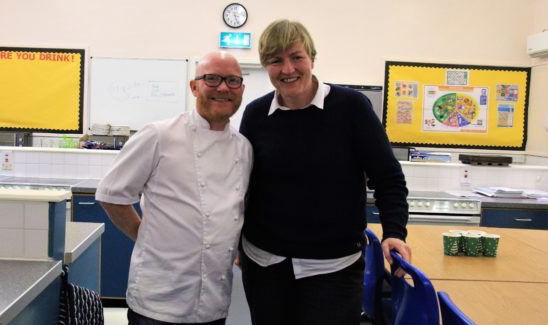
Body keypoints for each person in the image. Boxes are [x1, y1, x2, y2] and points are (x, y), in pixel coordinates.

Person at [238, 19, 412, 325]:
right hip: (264, 265)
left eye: (296, 57)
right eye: (276, 60)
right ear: (266, 66)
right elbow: (244, 187)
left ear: (312, 59)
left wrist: (394, 232)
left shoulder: (351, 108)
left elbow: (388, 177)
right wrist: (235, 241)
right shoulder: (255, 115)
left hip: (334, 269)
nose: (288, 69)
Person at [95, 51, 253, 325]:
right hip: (159, 299)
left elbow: (236, 210)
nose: (223, 88)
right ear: (194, 86)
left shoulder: (244, 148)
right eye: (212, 79)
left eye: (232, 80)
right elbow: (111, 193)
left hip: (214, 301)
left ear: (241, 89)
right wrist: (143, 235)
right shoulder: (159, 135)